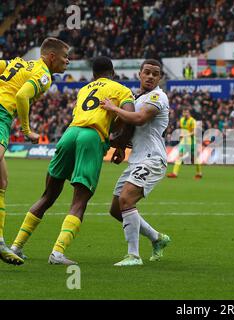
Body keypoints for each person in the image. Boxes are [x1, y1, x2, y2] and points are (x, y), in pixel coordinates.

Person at [10, 56, 135, 265]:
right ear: (112, 72)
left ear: (94, 75)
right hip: (91, 137)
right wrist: (121, 144)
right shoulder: (121, 89)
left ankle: (16, 246)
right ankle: (57, 253)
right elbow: (130, 116)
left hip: (69, 134)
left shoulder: (84, 89)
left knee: (48, 195)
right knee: (79, 200)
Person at [0, 37, 70, 266]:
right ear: (51, 57)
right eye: (64, 57)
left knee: (2, 183)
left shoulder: (19, 62)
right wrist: (28, 130)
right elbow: (22, 96)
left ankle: (0, 242)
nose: (67, 62)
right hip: (2, 114)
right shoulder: (43, 74)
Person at [100, 59, 171, 266]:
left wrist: (114, 108)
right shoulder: (137, 97)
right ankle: (157, 238)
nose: (150, 76)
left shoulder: (158, 97)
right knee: (116, 209)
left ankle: (134, 256)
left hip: (152, 159)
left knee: (126, 200)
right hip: (137, 159)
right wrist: (121, 147)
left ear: (160, 78)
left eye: (155, 74)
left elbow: (139, 119)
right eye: (147, 72)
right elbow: (130, 129)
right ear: (139, 74)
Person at [167, 108, 202, 179]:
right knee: (179, 155)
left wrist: (185, 135)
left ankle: (199, 173)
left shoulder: (193, 121)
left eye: (186, 112)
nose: (185, 114)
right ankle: (174, 173)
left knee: (195, 158)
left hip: (191, 142)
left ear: (189, 113)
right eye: (184, 112)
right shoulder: (182, 120)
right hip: (184, 141)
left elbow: (194, 133)